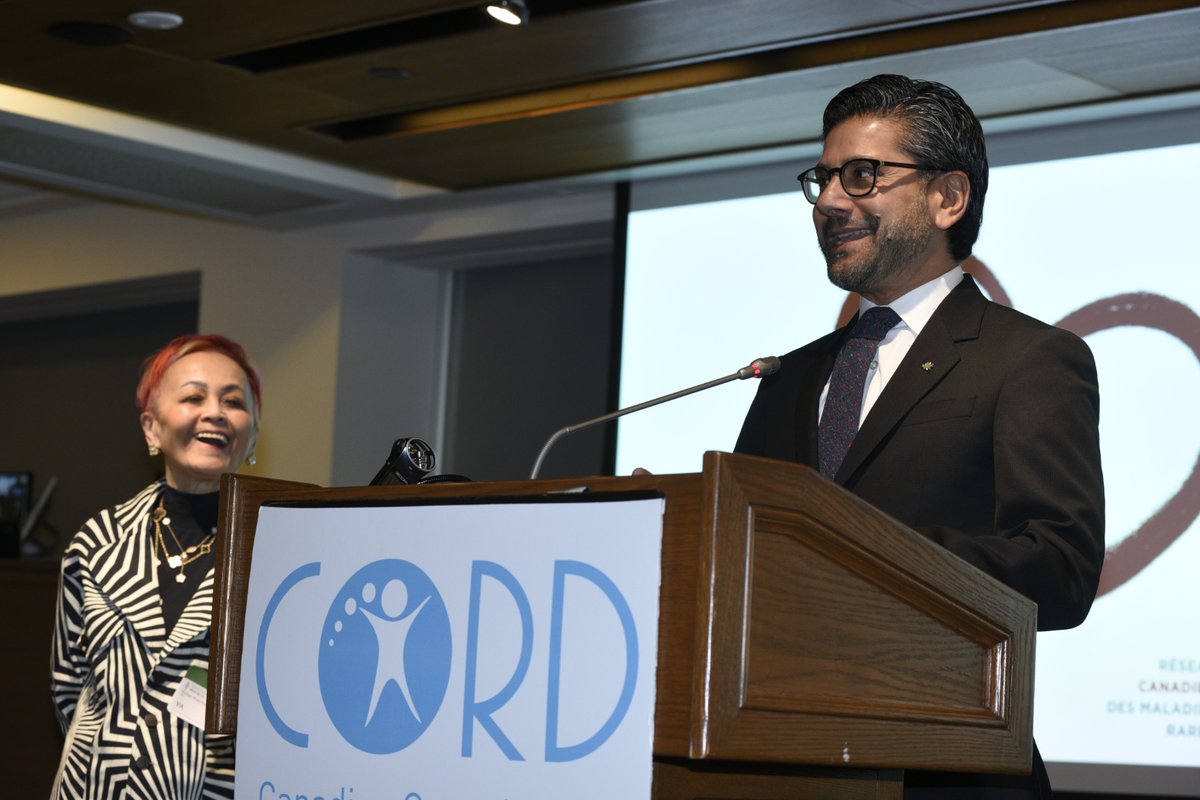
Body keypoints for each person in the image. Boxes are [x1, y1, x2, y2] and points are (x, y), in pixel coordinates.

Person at [735, 74, 1104, 799]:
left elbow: (1058, 569)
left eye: (864, 176)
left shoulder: (1027, 359)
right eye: (825, 178)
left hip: (943, 770)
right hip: (776, 762)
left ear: (948, 198)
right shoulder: (788, 376)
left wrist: (854, 549)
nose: (833, 201)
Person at [50, 334, 262, 799]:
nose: (215, 412)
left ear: (254, 434)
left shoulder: (276, 549)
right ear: (151, 428)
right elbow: (69, 687)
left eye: (233, 401)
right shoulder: (97, 540)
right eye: (193, 397)